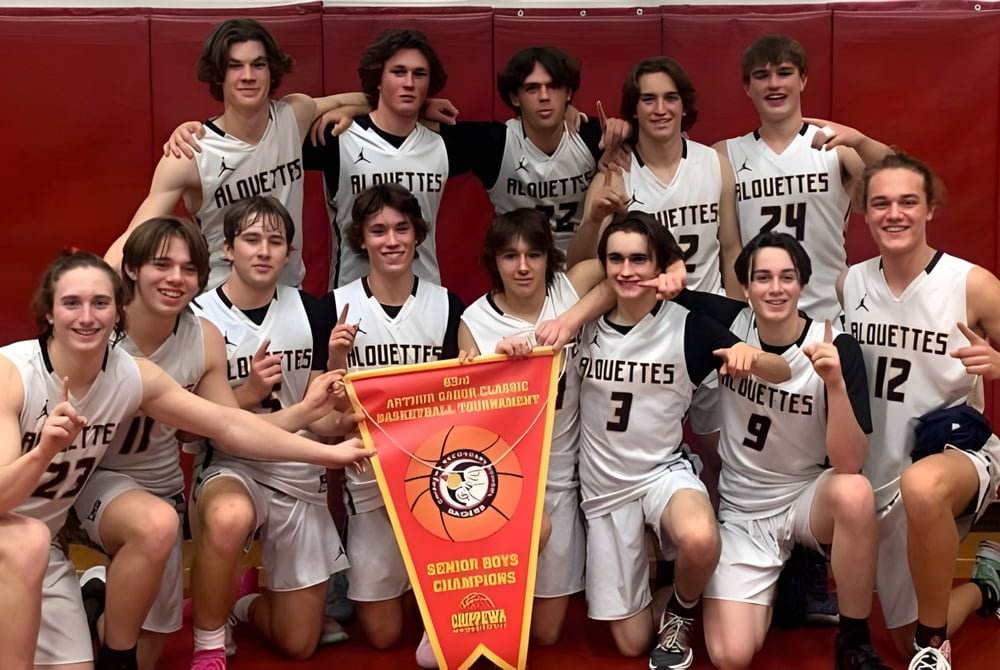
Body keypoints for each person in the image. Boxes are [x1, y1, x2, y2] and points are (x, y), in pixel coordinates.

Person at [1, 250, 368, 670]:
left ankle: (102, 611)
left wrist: (330, 452)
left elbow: (229, 426)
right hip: (15, 538)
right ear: (48, 312)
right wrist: (45, 450)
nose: (87, 316)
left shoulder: (130, 373)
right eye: (71, 303)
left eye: (100, 303)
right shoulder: (13, 374)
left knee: (101, 542)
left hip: (44, 548)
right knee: (28, 539)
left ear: (119, 311)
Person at [572, 210, 790, 670]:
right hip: (604, 487)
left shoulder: (688, 324)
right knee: (631, 643)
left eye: (638, 260)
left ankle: (681, 610)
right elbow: (582, 277)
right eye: (616, 260)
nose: (627, 270)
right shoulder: (583, 323)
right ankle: (675, 590)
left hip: (660, 472)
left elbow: (782, 370)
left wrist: (754, 356)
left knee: (699, 536)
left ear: (659, 267)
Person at [684, 232, 888, 669]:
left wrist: (833, 383)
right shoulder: (728, 326)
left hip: (804, 497)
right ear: (745, 288)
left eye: (786, 277)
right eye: (762, 278)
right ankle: (784, 581)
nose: (775, 288)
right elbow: (674, 299)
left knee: (855, 493)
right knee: (730, 656)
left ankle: (853, 640)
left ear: (802, 285)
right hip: (744, 509)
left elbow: (850, 464)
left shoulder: (836, 344)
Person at [840, 153, 1000, 669]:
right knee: (899, 636)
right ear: (864, 212)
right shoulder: (851, 283)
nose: (894, 213)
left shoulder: (970, 283)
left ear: (930, 208)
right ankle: (985, 585)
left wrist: (999, 361)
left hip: (956, 455)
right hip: (881, 475)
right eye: (881, 203)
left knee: (923, 485)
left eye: (908, 201)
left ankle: (934, 651)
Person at [186, 195, 359, 668]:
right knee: (228, 518)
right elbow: (194, 428)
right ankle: (208, 642)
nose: (264, 250)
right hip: (230, 463)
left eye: (276, 241)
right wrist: (244, 394)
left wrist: (342, 417)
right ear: (227, 248)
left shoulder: (316, 313)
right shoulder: (198, 317)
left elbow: (320, 417)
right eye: (251, 239)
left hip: (300, 467)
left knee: (299, 643)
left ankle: (240, 602)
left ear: (288, 254)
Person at [323, 183, 462, 665]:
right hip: (370, 484)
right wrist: (335, 360)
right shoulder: (335, 307)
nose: (391, 240)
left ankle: (413, 574)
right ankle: (365, 573)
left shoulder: (448, 306)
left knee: (415, 619)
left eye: (402, 228)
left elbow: (464, 403)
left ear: (418, 234)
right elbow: (321, 418)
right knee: (383, 637)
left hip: (432, 482)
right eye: (378, 230)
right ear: (360, 239)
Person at [107, 18, 354, 289]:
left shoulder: (293, 116)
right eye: (235, 66)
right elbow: (134, 236)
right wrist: (95, 290)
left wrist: (349, 111)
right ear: (218, 75)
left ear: (271, 70)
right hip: (221, 306)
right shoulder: (191, 153)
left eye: (258, 64)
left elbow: (370, 100)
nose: (248, 76)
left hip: (287, 296)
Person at [458, 207, 608, 645]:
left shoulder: (571, 286)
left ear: (549, 258)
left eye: (534, 255)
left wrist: (572, 318)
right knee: (499, 630)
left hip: (561, 477)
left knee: (544, 636)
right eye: (510, 256)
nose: (522, 267)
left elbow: (630, 267)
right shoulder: (474, 321)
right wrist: (490, 368)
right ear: (494, 262)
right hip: (503, 480)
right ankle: (468, 613)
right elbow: (467, 423)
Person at [715, 34, 891, 323]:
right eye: (762, 76)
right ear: (748, 87)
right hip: (759, 319)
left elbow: (907, 177)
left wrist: (861, 141)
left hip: (828, 315)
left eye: (784, 73)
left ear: (803, 80)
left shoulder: (838, 146)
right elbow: (730, 249)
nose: (774, 84)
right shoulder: (725, 154)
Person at [303, 28, 452, 289]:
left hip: (426, 300)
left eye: (419, 74)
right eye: (398, 72)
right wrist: (362, 103)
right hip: (352, 299)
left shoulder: (444, 141)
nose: (409, 83)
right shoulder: (340, 136)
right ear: (378, 79)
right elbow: (275, 121)